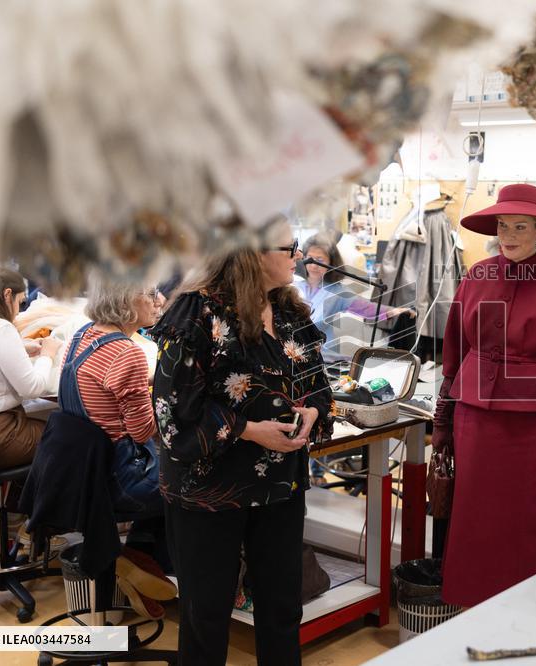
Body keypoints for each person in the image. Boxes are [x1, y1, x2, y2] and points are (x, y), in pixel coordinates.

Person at [151, 217, 334, 665]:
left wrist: (314, 411)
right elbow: (173, 416)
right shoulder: (198, 315)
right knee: (206, 616)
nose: (299, 255)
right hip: (209, 490)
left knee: (282, 609)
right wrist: (250, 430)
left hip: (280, 485)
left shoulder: (290, 313)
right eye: (288, 247)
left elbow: (319, 389)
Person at [432, 184, 536, 607]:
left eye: (521, 226)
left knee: (526, 530)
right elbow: (453, 356)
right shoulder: (475, 276)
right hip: (474, 425)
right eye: (503, 225)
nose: (509, 234)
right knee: (473, 527)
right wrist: (442, 421)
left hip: (532, 433)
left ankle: (525, 619)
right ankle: (466, 618)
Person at [58, 274, 173, 615]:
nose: (160, 300)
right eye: (151, 293)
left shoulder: (82, 336)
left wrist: (142, 388)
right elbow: (141, 433)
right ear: (125, 299)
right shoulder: (129, 352)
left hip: (82, 475)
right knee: (192, 484)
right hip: (121, 481)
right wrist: (165, 401)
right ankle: (159, 571)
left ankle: (132, 558)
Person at [0, 267, 62, 468]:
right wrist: (48, 355)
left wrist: (20, 347)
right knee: (71, 438)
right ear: (7, 294)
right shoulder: (0, 328)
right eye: (21, 302)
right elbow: (32, 388)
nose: (19, 311)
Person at [295, 233, 414, 362]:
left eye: (320, 260)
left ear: (331, 262)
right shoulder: (293, 286)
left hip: (323, 359)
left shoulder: (338, 292)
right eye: (310, 259)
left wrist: (397, 311)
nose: (313, 265)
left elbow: (367, 309)